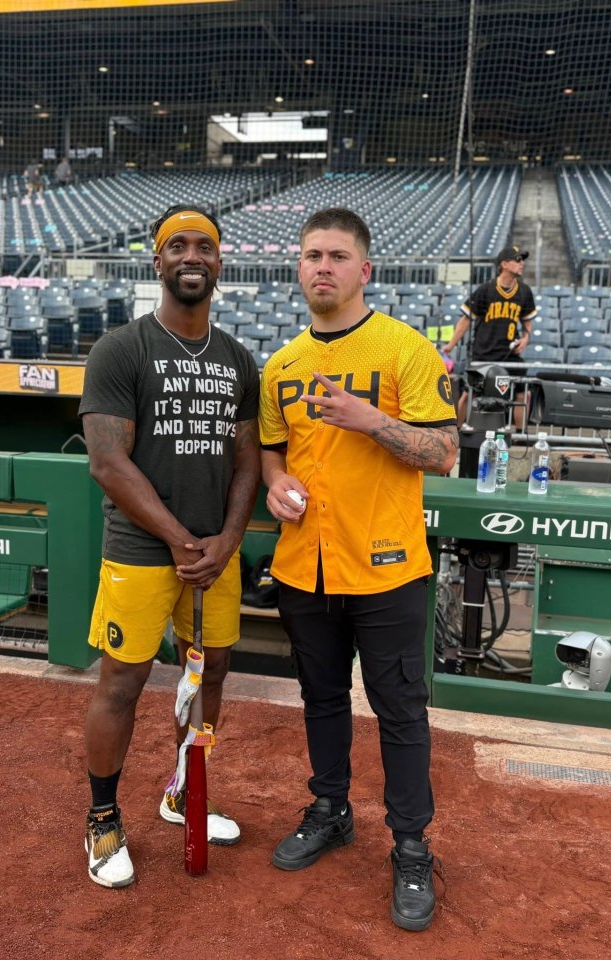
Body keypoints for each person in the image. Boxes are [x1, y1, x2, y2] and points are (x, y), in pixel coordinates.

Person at [258, 208, 459, 932]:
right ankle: (330, 809)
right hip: (304, 566)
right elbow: (271, 449)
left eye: (337, 256)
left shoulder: (404, 349)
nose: (323, 267)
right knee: (320, 697)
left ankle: (409, 845)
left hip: (387, 568)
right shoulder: (280, 365)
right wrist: (273, 482)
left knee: (400, 710)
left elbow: (444, 453)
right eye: (312, 254)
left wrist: (370, 419)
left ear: (363, 270)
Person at [79, 204, 260, 888]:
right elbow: (107, 461)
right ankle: (101, 819)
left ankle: (185, 792)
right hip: (141, 553)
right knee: (121, 683)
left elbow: (246, 462)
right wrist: (182, 539)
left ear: (220, 262)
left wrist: (227, 541)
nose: (192, 256)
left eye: (204, 246)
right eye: (177, 245)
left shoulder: (239, 360)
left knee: (212, 674)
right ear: (157, 261)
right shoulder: (121, 348)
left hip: (216, 556)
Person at [442, 245, 538, 428]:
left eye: (523, 260)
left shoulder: (524, 291)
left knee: (523, 393)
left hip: (509, 355)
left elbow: (527, 320)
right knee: (469, 393)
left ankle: (519, 437)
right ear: (504, 264)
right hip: (483, 354)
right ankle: (454, 433)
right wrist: (451, 345)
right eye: (518, 259)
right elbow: (465, 320)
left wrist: (526, 338)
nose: (522, 263)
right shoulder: (486, 290)